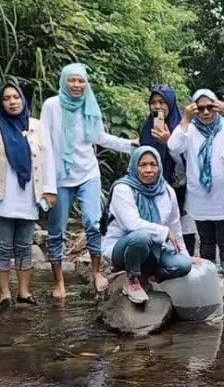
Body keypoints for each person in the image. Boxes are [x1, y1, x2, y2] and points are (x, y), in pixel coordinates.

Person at [40, 63, 136, 300]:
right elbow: (44, 144)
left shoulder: (89, 105)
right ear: (64, 82)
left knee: (93, 223)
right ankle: (59, 282)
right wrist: (47, 184)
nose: (76, 85)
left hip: (88, 174)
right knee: (56, 231)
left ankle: (95, 273)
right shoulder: (52, 106)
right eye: (72, 80)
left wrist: (129, 144)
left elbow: (99, 137)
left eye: (81, 81)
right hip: (60, 177)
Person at [167, 89, 224, 300]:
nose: (206, 112)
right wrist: (186, 119)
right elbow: (173, 145)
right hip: (200, 194)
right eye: (201, 108)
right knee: (206, 241)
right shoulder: (190, 130)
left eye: (210, 107)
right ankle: (212, 283)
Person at [102, 146, 194, 303]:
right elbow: (132, 223)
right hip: (122, 248)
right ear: (134, 167)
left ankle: (147, 276)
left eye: (153, 164)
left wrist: (185, 254)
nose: (149, 170)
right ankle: (131, 280)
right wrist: (163, 231)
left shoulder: (167, 191)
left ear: (159, 166)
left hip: (155, 249)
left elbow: (175, 227)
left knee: (183, 265)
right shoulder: (123, 189)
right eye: (143, 165)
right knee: (140, 237)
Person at [0, 83, 57, 307]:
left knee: (24, 245)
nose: (12, 101)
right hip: (4, 196)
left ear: (23, 100)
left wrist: (49, 190)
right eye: (6, 98)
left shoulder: (36, 126)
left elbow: (48, 159)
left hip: (28, 195)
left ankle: (24, 292)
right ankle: (4, 293)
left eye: (16, 97)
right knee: (3, 246)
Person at [138, 85, 197, 255]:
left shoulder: (183, 126)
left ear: (170, 103)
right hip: (153, 186)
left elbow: (188, 159)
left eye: (162, 102)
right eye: (154, 102)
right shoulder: (147, 127)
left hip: (180, 186)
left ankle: (186, 259)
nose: (157, 107)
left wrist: (169, 141)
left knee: (184, 226)